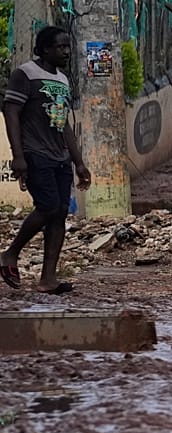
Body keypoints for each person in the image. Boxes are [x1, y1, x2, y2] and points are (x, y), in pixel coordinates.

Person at [1, 26, 92, 295]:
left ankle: (48, 278)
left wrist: (79, 162)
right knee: (48, 206)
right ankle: (10, 253)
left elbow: (63, 125)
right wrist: (18, 156)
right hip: (35, 153)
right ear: (44, 49)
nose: (66, 51)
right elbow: (11, 114)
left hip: (60, 156)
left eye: (67, 47)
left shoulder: (62, 80)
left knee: (59, 214)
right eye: (60, 47)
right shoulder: (25, 74)